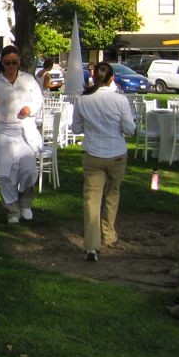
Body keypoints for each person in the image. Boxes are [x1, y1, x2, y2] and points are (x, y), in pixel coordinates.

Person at [71, 62, 135, 262]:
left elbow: (75, 128)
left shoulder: (83, 100)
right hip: (116, 153)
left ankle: (91, 245)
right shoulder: (120, 100)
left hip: (93, 154)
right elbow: (129, 129)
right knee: (112, 194)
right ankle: (108, 233)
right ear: (112, 78)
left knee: (91, 199)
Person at [0, 45, 43, 224]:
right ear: (2, 63)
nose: (11, 66)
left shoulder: (28, 80)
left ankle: (25, 203)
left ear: (19, 62)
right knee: (5, 173)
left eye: (14, 63)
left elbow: (38, 100)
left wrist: (29, 108)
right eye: (8, 63)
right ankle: (11, 209)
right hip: (4, 131)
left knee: (28, 170)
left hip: (24, 130)